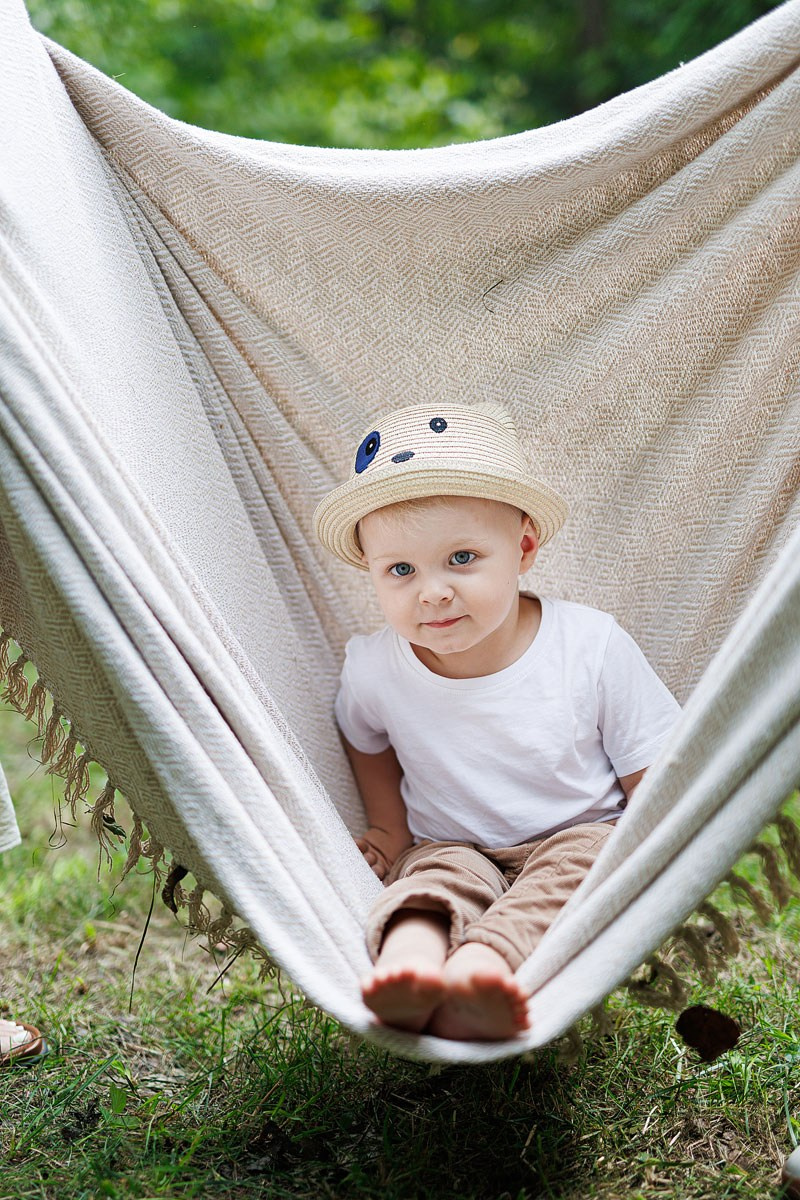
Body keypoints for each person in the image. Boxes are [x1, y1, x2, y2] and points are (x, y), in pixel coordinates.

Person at [313, 403, 680, 1041]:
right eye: (401, 570)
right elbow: (362, 736)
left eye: (461, 558)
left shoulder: (590, 647)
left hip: (575, 834)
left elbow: (653, 768)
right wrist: (388, 829)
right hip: (448, 843)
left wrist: (656, 864)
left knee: (581, 868)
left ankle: (483, 969)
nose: (431, 591)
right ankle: (409, 968)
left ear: (523, 548)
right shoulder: (374, 667)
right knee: (428, 888)